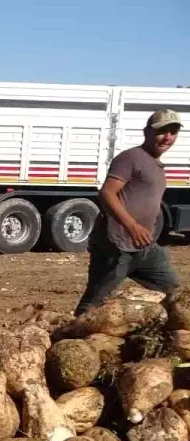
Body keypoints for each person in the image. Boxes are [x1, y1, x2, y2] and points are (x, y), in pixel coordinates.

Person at [74, 109, 183, 315]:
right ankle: (68, 339)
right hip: (116, 246)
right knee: (94, 303)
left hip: (144, 246)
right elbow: (107, 193)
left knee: (175, 291)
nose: (168, 137)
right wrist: (132, 226)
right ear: (147, 132)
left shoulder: (156, 164)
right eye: (162, 131)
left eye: (173, 131)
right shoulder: (131, 158)